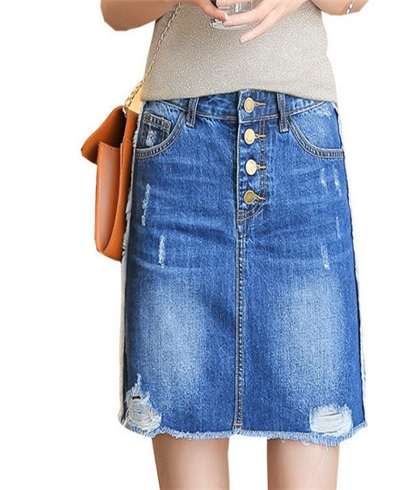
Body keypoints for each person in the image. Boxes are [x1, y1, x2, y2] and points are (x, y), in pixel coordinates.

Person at [100, 0, 369, 488]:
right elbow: (115, 11)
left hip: (301, 154)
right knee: (183, 415)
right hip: (179, 155)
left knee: (314, 419)